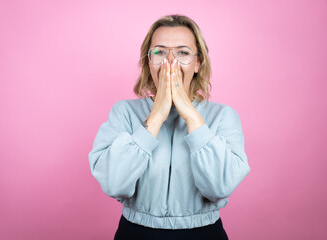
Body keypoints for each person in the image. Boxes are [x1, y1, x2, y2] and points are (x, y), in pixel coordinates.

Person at [88, 14, 250, 240]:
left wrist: (190, 113)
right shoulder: (123, 112)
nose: (170, 62)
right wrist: (157, 115)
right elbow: (114, 183)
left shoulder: (223, 116)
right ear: (149, 62)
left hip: (204, 234)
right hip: (135, 233)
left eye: (183, 53)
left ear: (197, 63)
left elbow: (220, 187)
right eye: (160, 52)